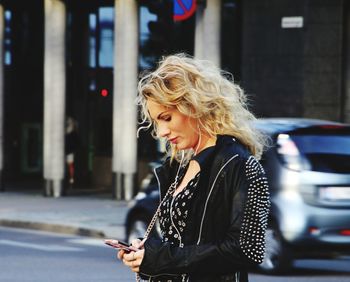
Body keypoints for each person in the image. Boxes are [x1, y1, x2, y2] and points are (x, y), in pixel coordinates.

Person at [117, 54, 270, 282]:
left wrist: (161, 258)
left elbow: (247, 249)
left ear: (192, 106)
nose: (161, 132)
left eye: (166, 118)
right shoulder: (178, 166)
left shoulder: (240, 164)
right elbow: (182, 243)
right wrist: (146, 254)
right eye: (156, 122)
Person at [65, 117, 79, 186]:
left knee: (70, 165)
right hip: (67, 151)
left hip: (70, 151)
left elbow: (76, 143)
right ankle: (70, 178)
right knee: (69, 165)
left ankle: (71, 178)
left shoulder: (73, 133)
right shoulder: (68, 132)